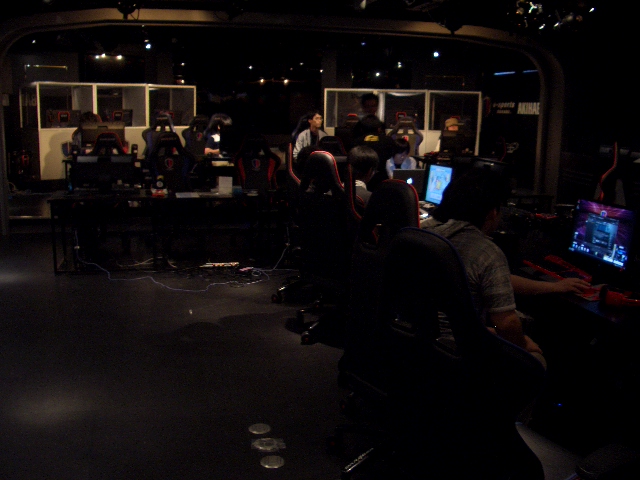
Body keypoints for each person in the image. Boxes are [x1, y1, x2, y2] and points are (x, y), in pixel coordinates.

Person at [420, 169, 549, 366]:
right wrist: (523, 344)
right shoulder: (486, 252)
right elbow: (506, 324)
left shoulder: (424, 234)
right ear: (492, 212)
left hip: (417, 344)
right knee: (536, 361)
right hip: (458, 355)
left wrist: (553, 287)